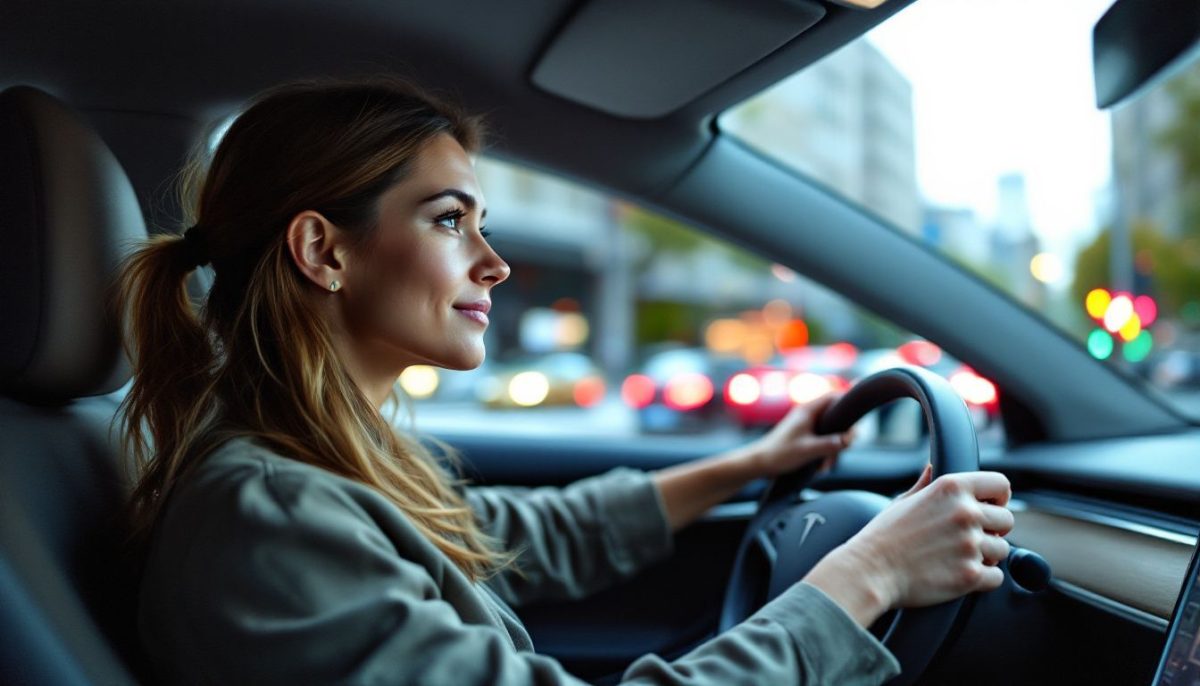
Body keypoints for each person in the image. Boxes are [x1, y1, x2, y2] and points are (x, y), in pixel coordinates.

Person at [117, 77, 1014, 685]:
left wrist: (746, 467)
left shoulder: (320, 459)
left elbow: (507, 535)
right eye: (449, 221)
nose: (495, 264)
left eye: (483, 224)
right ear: (323, 250)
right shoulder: (268, 517)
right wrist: (866, 575)